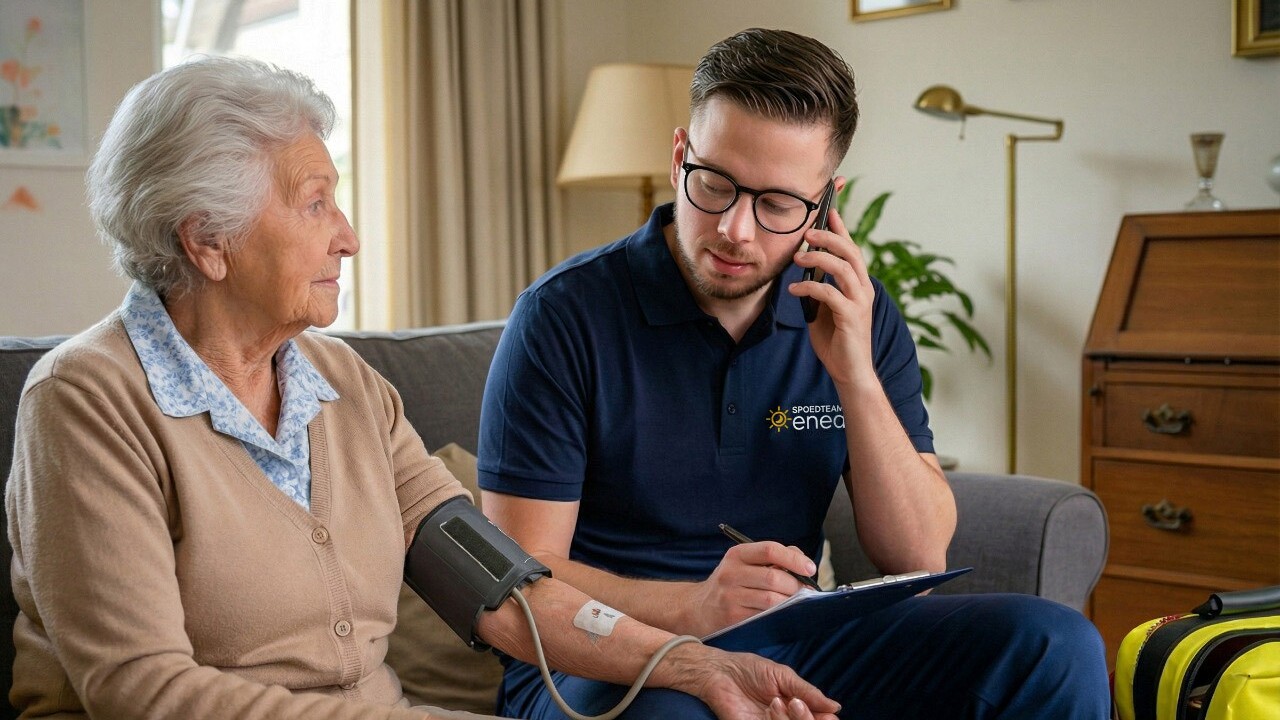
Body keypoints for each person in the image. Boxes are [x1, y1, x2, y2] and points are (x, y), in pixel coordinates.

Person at [4, 56, 843, 720]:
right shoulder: (87, 402)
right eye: (315, 204)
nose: (349, 237)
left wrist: (697, 663)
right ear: (208, 241)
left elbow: (507, 594)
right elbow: (141, 690)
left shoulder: (345, 389)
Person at [477, 28, 1111, 719]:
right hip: (600, 659)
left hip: (800, 640)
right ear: (680, 155)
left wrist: (855, 377)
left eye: (777, 204)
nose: (735, 230)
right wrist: (693, 608)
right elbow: (518, 576)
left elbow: (919, 556)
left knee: (1053, 643)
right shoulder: (563, 317)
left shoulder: (850, 315)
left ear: (825, 202)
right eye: (715, 184)